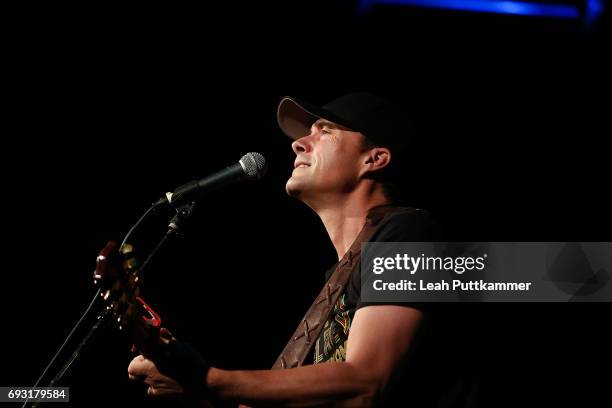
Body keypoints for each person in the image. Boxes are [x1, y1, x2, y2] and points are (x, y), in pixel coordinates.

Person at [128, 92, 464, 407]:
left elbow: (365, 382)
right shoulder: (338, 280)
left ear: (374, 159)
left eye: (325, 131)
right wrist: (194, 388)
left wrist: (207, 379)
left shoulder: (411, 235)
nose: (298, 144)